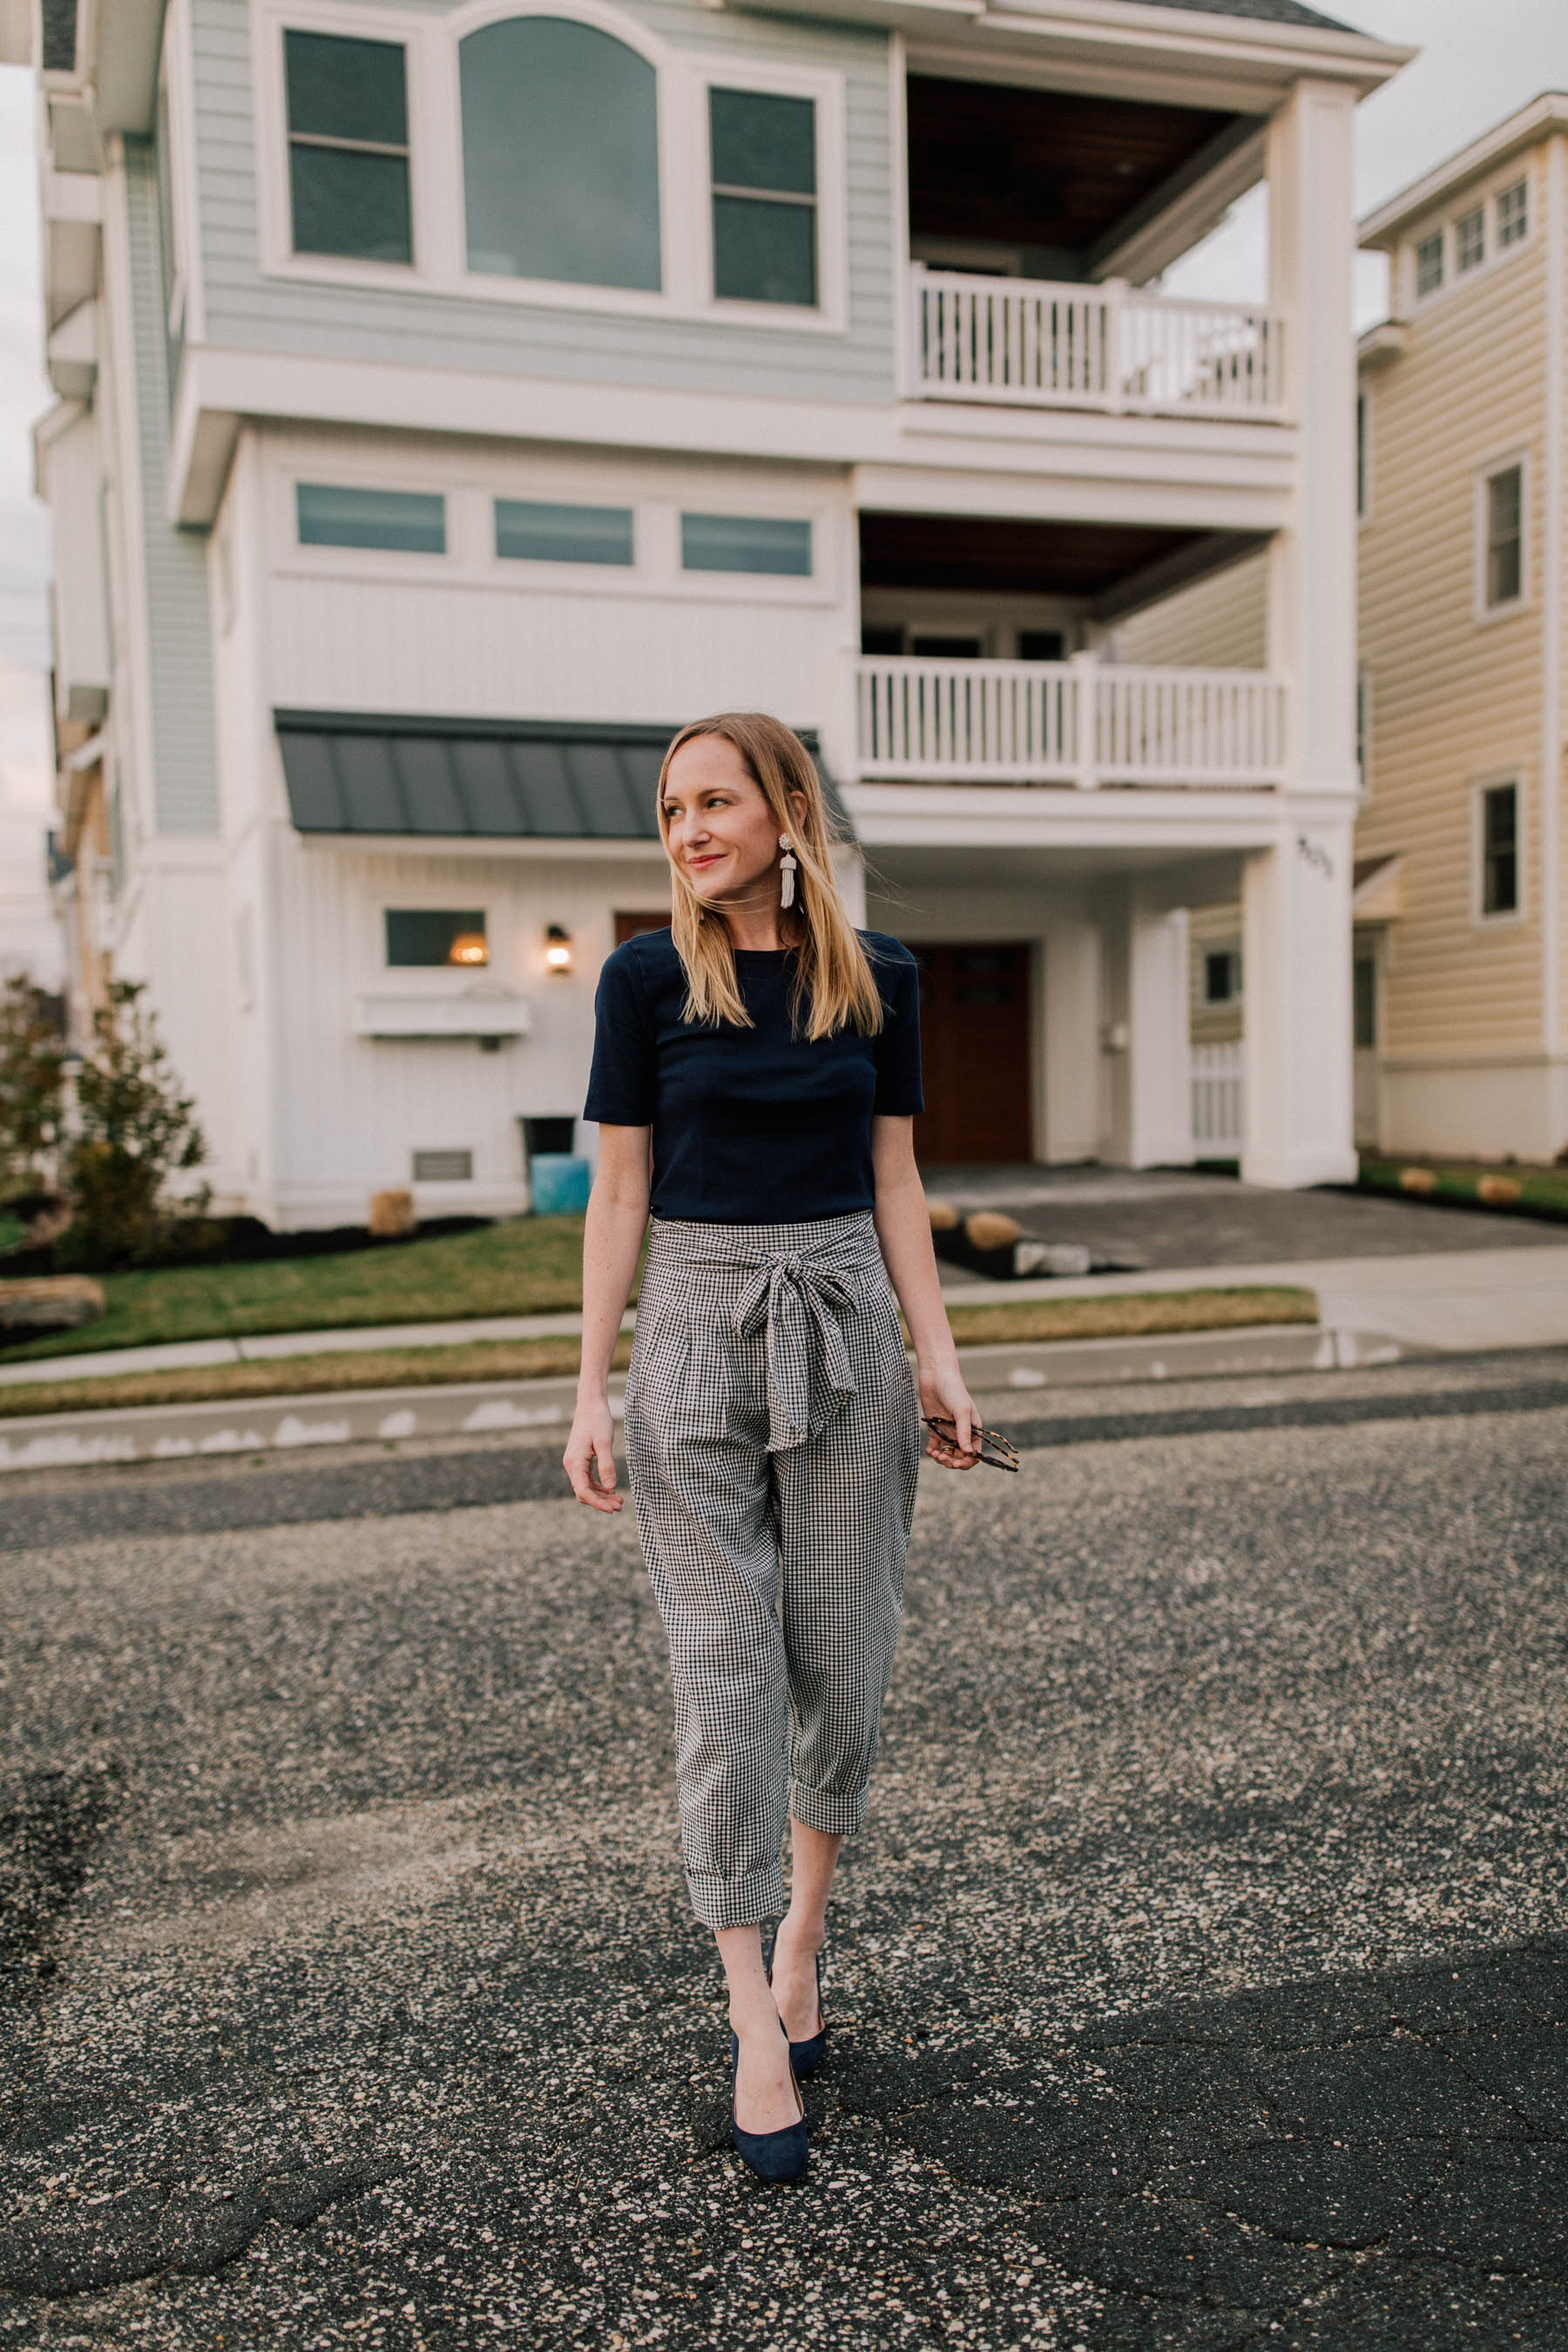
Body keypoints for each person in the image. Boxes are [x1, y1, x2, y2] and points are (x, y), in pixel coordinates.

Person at [564, 711, 981, 2184]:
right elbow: (617, 1193)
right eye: (672, 808)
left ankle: (805, 1938)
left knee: (838, 1656)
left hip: (850, 1326)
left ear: (786, 807)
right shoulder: (640, 979)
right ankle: (749, 2008)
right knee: (723, 1666)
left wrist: (937, 1357)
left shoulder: (882, 980)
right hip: (687, 1331)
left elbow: (897, 1178)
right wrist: (588, 1384)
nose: (689, 830)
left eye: (716, 801)